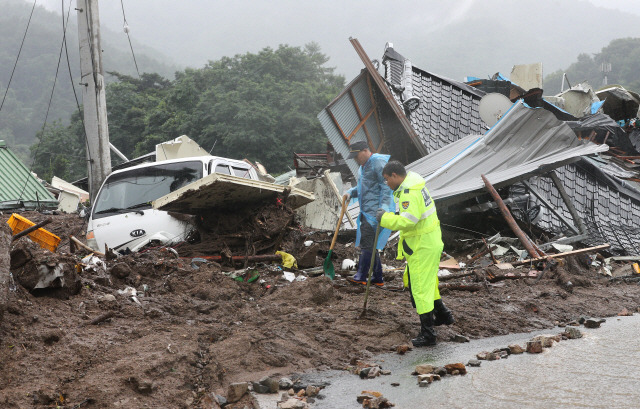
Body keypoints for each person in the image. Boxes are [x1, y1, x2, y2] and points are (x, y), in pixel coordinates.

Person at [376, 160, 454, 347]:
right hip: (429, 240)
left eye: (387, 179)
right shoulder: (413, 184)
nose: (386, 183)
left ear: (395, 175)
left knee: (419, 287)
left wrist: (385, 218)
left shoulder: (409, 193)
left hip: (422, 245)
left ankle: (428, 334)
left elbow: (408, 220)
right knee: (426, 283)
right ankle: (443, 315)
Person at [342, 141, 395, 286]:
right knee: (370, 245)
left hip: (375, 212)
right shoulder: (363, 167)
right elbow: (363, 186)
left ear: (365, 150)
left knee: (366, 244)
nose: (355, 159)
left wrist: (383, 208)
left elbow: (386, 185)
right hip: (366, 211)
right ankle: (378, 278)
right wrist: (350, 192)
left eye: (356, 155)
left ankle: (361, 276)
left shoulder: (377, 161)